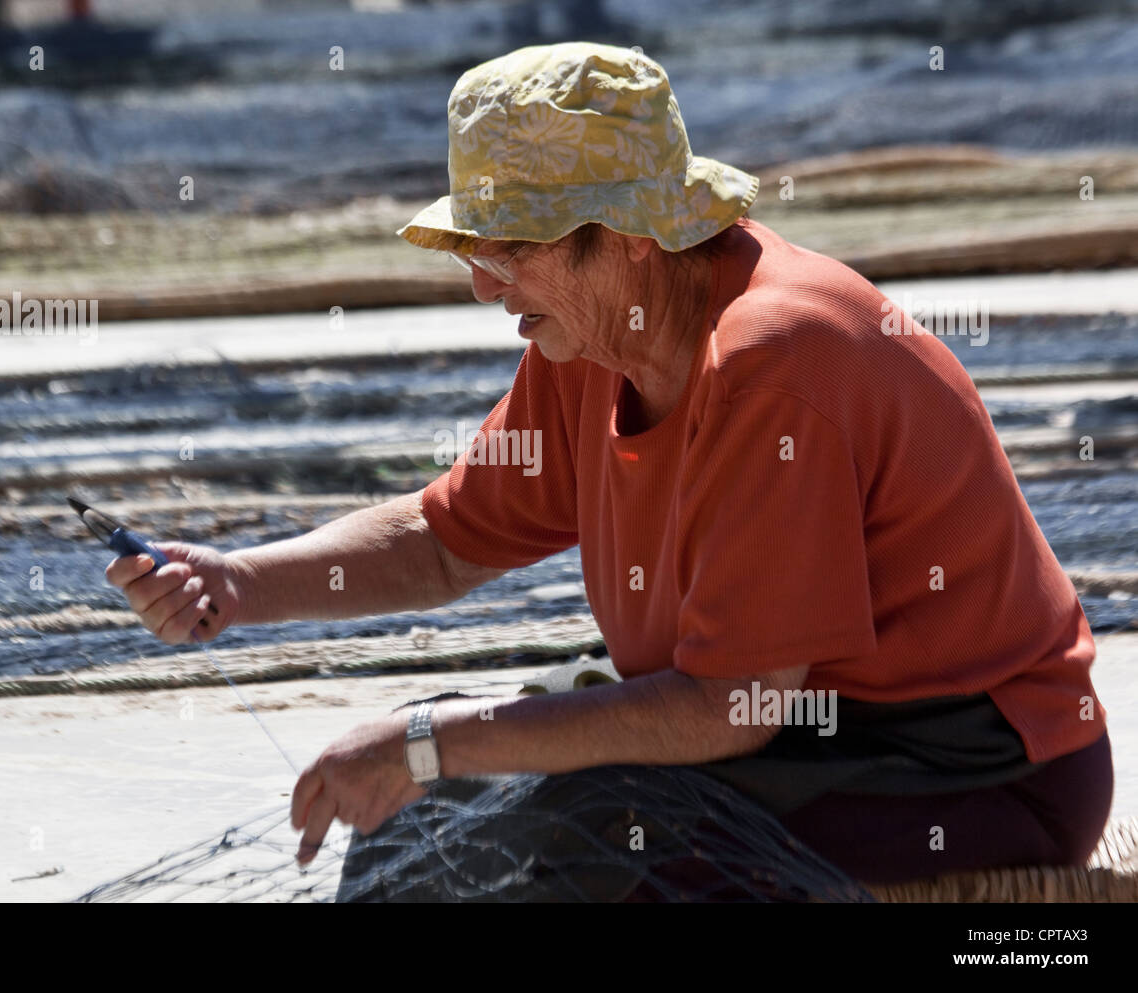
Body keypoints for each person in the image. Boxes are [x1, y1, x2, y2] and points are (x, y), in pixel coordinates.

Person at [105, 42, 1111, 889]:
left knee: (567, 852)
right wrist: (233, 583)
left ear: (627, 238)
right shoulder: (585, 345)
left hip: (958, 762)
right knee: (423, 830)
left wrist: (427, 735)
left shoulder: (772, 360)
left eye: (510, 246)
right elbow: (444, 540)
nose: (478, 282)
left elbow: (733, 705)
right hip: (780, 728)